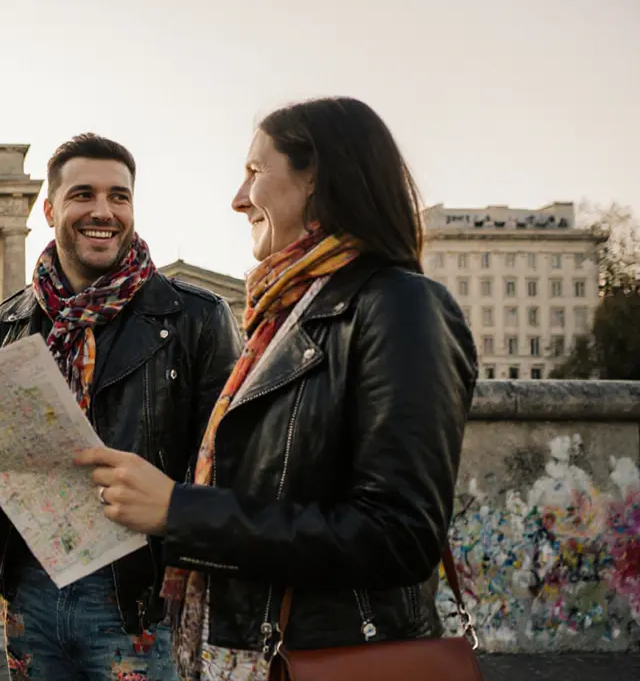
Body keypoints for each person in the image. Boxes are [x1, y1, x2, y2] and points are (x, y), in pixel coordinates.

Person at [76, 97, 479, 681]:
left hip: (321, 657)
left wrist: (180, 510)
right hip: (247, 656)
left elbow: (400, 535)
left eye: (255, 172)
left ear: (316, 175)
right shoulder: (281, 316)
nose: (238, 198)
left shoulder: (401, 305)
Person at [0, 133, 244, 679]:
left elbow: (232, 471)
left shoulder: (197, 317)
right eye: (83, 194)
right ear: (50, 208)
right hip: (31, 593)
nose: (103, 211)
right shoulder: (8, 323)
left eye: (119, 196)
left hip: (139, 600)